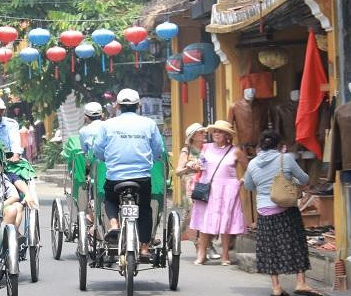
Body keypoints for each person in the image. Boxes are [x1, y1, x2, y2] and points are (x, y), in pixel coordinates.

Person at [244, 129, 322, 296]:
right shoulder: (285, 159)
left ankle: (276, 287)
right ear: (279, 145)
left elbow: (249, 186)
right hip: (285, 208)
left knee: (270, 247)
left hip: (264, 211)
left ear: (261, 145)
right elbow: (304, 179)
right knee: (295, 243)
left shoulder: (252, 164)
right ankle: (301, 282)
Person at [93, 89, 163, 260]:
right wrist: (153, 159)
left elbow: (98, 149)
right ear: (138, 106)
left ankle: (114, 224)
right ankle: (145, 248)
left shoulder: (107, 125)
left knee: (110, 198)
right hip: (142, 178)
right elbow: (158, 150)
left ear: (117, 106)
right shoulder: (149, 124)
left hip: (116, 177)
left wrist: (105, 158)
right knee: (145, 209)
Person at [188, 120, 247, 266]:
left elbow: (249, 167)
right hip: (208, 188)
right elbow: (199, 165)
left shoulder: (235, 150)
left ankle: (225, 255)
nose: (216, 134)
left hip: (228, 189)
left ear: (227, 135)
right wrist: (195, 165)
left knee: (225, 221)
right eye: (214, 131)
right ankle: (201, 254)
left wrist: (242, 181)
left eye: (219, 131)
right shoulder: (205, 148)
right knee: (205, 221)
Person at [0, 96, 36, 208]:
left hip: (5, 161)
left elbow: (15, 142)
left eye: (0, 111)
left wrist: (16, 154)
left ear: (4, 111)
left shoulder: (11, 124)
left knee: (14, 174)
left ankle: (28, 194)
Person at [174, 123, 219, 262]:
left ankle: (207, 244)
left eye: (204, 132)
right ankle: (203, 246)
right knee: (194, 214)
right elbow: (178, 171)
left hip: (208, 184)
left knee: (210, 214)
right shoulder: (186, 150)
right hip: (192, 186)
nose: (204, 134)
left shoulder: (209, 148)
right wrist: (189, 166)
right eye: (201, 133)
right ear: (193, 136)